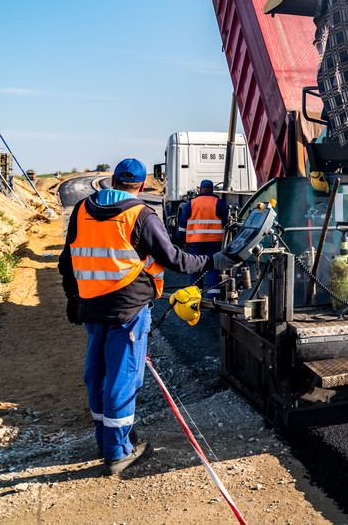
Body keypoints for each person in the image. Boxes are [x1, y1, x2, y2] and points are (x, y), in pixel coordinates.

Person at [59, 158, 236, 475]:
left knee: (96, 373)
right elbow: (176, 260)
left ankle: (105, 437)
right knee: (123, 378)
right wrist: (216, 261)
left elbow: (67, 259)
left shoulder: (83, 210)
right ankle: (117, 451)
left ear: (112, 181)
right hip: (127, 310)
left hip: (91, 308)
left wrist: (73, 296)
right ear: (141, 186)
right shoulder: (141, 215)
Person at [176, 179, 228, 293]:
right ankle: (213, 298)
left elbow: (182, 226)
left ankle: (195, 298)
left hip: (195, 243)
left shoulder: (191, 204)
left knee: (195, 268)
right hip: (215, 242)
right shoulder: (218, 203)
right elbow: (226, 224)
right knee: (213, 268)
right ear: (212, 190)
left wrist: (180, 240)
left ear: (200, 189)